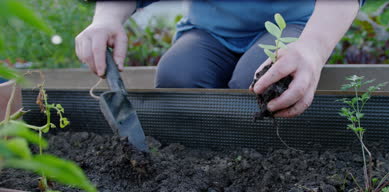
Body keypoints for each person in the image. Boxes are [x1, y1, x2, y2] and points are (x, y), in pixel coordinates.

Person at [76, 0, 363, 117]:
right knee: (178, 75)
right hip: (209, 29)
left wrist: (313, 46)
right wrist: (106, 19)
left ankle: (265, 166)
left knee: (259, 84)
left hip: (293, 25)